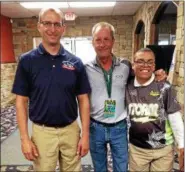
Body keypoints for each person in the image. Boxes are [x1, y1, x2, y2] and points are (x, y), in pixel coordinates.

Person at [12, 8, 91, 172]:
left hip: (71, 130)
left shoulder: (75, 62)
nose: (52, 29)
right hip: (42, 133)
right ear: (39, 26)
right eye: (47, 23)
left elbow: (83, 100)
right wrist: (24, 139)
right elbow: (21, 102)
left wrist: (85, 135)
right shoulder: (27, 61)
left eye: (57, 24)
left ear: (64, 28)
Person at [85, 22, 166, 172]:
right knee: (99, 168)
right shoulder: (86, 69)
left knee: (122, 167)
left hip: (119, 127)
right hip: (96, 127)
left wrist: (157, 74)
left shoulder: (126, 65)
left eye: (106, 39)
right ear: (93, 42)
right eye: (98, 40)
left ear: (113, 41)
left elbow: (142, 75)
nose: (102, 44)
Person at [126, 48, 184, 172]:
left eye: (149, 62)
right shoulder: (127, 85)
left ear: (154, 66)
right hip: (138, 150)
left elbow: (175, 117)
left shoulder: (164, 86)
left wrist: (181, 144)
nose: (145, 65)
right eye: (140, 61)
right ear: (133, 64)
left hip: (163, 150)